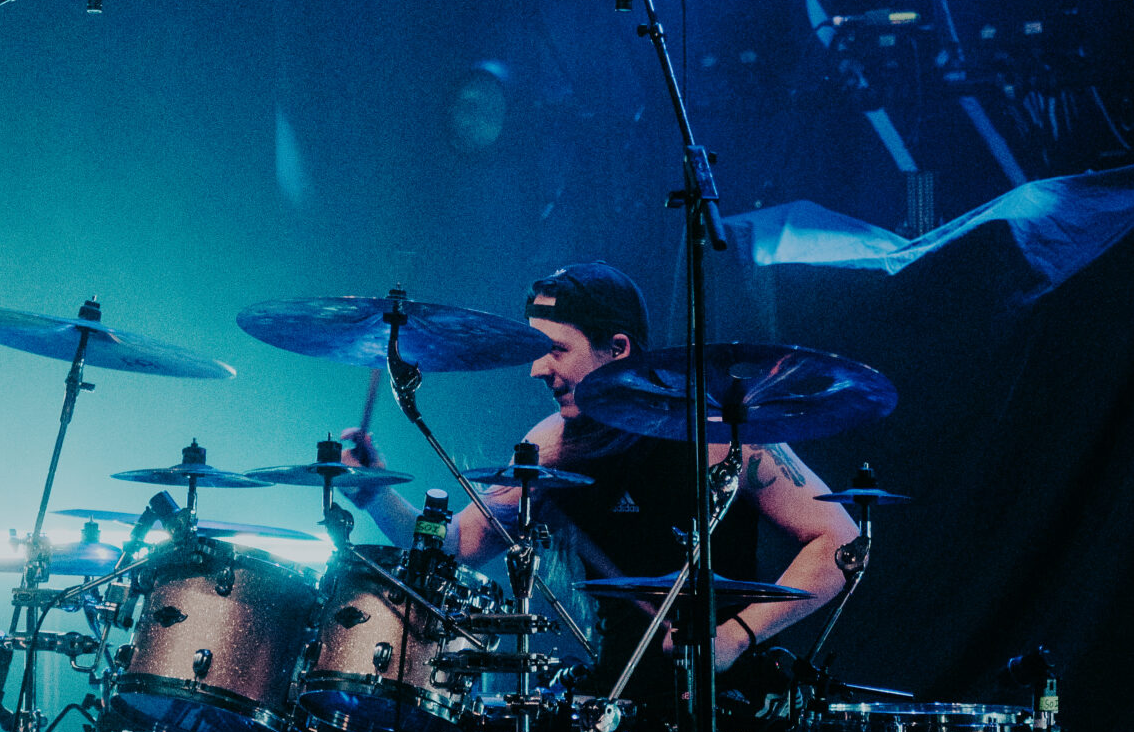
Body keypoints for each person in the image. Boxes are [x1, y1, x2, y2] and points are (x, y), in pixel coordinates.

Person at [340, 258, 859, 696]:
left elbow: (841, 542)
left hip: (726, 698)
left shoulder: (716, 432)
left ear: (618, 349)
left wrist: (737, 635)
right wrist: (376, 497)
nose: (536, 370)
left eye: (556, 350)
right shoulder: (553, 447)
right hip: (614, 706)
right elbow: (454, 545)